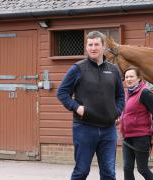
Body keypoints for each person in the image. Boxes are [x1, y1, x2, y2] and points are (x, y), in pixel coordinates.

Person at [57, 31, 125, 180]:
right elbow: (61, 92)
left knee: (109, 173)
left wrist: (117, 112)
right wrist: (77, 108)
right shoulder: (78, 68)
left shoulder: (113, 70)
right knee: (81, 171)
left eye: (96, 44)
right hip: (84, 128)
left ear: (103, 46)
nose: (93, 48)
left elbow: (120, 96)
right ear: (86, 47)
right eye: (90, 45)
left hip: (108, 130)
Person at [120, 66, 153, 180]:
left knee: (142, 169)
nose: (128, 79)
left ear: (139, 78)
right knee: (127, 168)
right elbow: (128, 112)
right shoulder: (127, 93)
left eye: (131, 76)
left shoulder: (145, 93)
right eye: (126, 77)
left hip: (141, 137)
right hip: (127, 137)